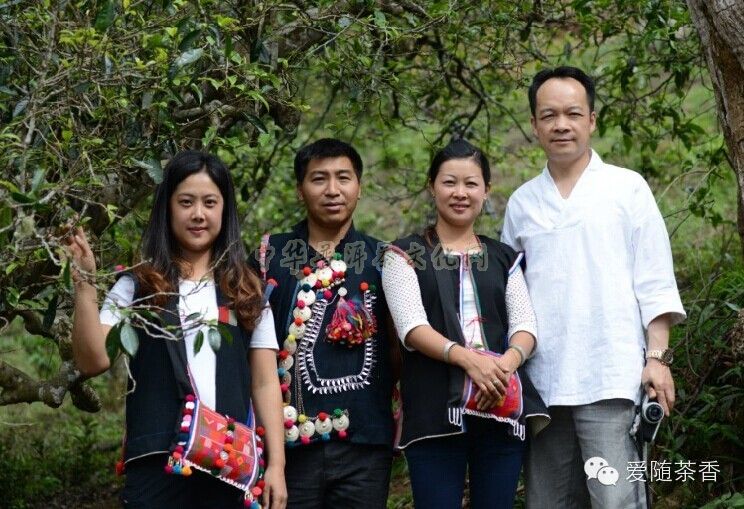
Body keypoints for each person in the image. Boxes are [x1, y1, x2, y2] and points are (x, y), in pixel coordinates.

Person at [501, 66, 686, 509]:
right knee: (547, 503)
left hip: (611, 377)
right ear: (534, 125)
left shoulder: (627, 188)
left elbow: (655, 281)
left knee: (615, 500)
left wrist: (657, 359)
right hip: (543, 386)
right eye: (549, 115)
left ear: (592, 120)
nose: (561, 125)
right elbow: (511, 295)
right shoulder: (523, 202)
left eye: (572, 113)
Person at [67, 151, 287, 509]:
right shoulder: (137, 286)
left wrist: (276, 465)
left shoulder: (247, 292)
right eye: (186, 202)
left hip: (228, 466)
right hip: (155, 463)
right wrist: (84, 284)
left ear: (225, 210)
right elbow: (94, 361)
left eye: (209, 203)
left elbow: (264, 383)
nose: (198, 214)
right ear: (167, 209)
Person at [382, 139, 548, 509]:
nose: (461, 193)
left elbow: (525, 325)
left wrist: (502, 368)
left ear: (486, 190)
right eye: (449, 182)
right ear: (432, 187)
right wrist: (471, 362)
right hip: (434, 408)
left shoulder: (504, 257)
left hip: (501, 404)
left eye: (471, 184)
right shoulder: (403, 254)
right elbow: (412, 327)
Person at [250, 138, 394, 508]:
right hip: (287, 449)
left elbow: (403, 346)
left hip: (365, 444)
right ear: (300, 190)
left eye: (343, 178)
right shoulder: (269, 256)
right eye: (319, 179)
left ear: (359, 187)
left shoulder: (384, 259)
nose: (332, 190)